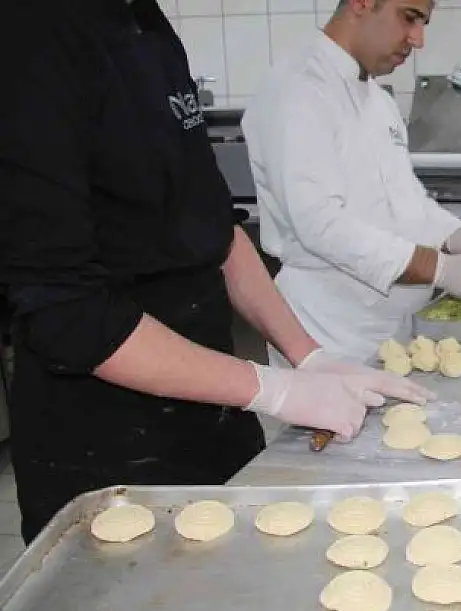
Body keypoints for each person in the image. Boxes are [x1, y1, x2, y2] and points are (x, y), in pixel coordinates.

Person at [0, 0, 432, 544]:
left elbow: (217, 233)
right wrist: (272, 390)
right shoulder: (29, 35)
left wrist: (309, 357)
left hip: (211, 415)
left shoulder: (146, 23)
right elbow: (69, 313)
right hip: (104, 453)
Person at [241, 0, 461, 367]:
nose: (418, 39)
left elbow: (406, 204)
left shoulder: (377, 100)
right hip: (329, 339)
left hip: (394, 336)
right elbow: (320, 224)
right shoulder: (298, 89)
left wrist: (459, 235)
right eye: (409, 18)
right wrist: (442, 269)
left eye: (423, 23)